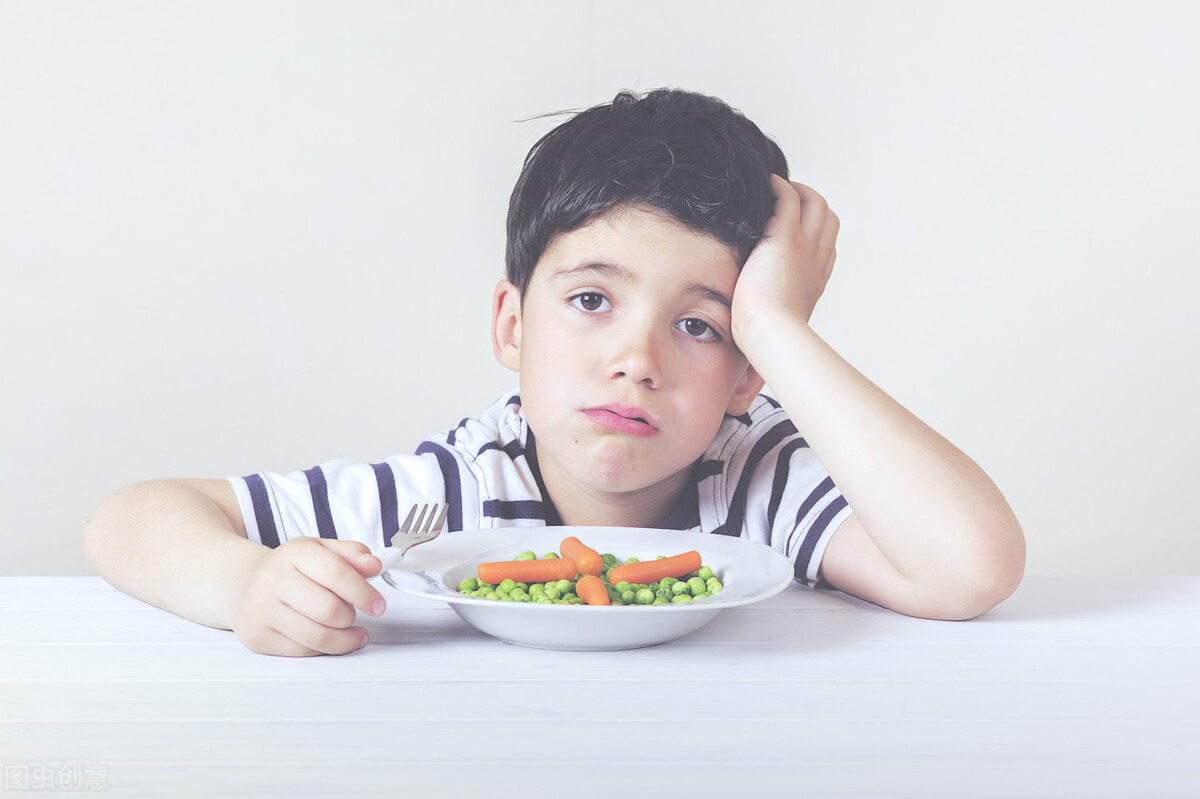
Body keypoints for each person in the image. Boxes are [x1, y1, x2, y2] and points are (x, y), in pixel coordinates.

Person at [82, 88, 1025, 656]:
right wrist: (247, 585)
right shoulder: (454, 498)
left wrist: (778, 325)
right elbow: (129, 517)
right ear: (510, 325)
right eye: (589, 301)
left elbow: (971, 568)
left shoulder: (758, 482)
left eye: (700, 326)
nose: (635, 361)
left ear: (748, 376)